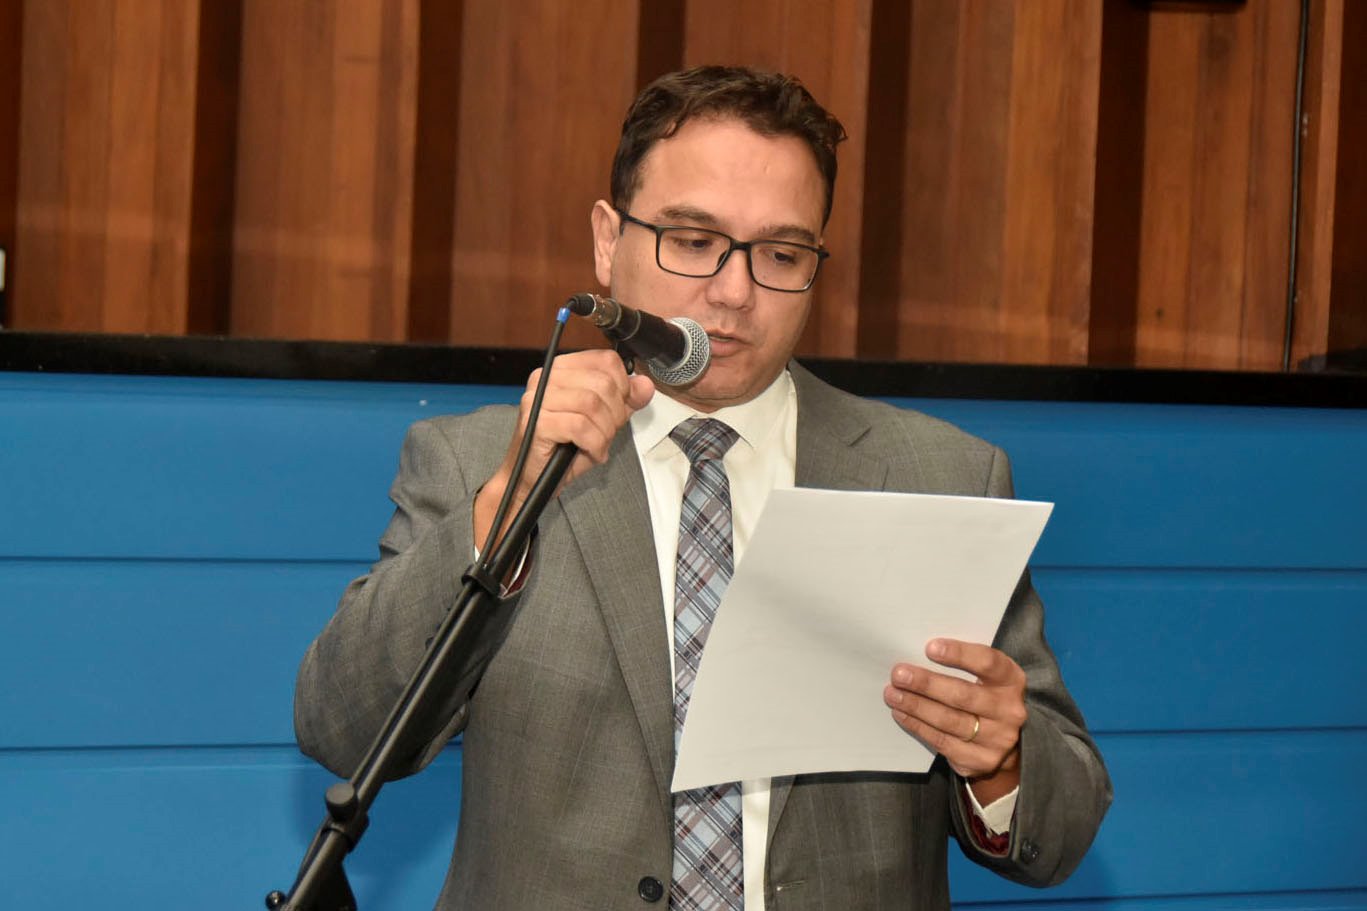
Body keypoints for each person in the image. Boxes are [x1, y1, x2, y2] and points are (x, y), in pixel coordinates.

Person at [294, 65, 1111, 910]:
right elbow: (342, 727)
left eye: (781, 254)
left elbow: (1063, 829)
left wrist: (1000, 760)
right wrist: (501, 511)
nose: (733, 292)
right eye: (691, 241)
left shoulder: (941, 479)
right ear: (607, 241)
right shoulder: (475, 462)